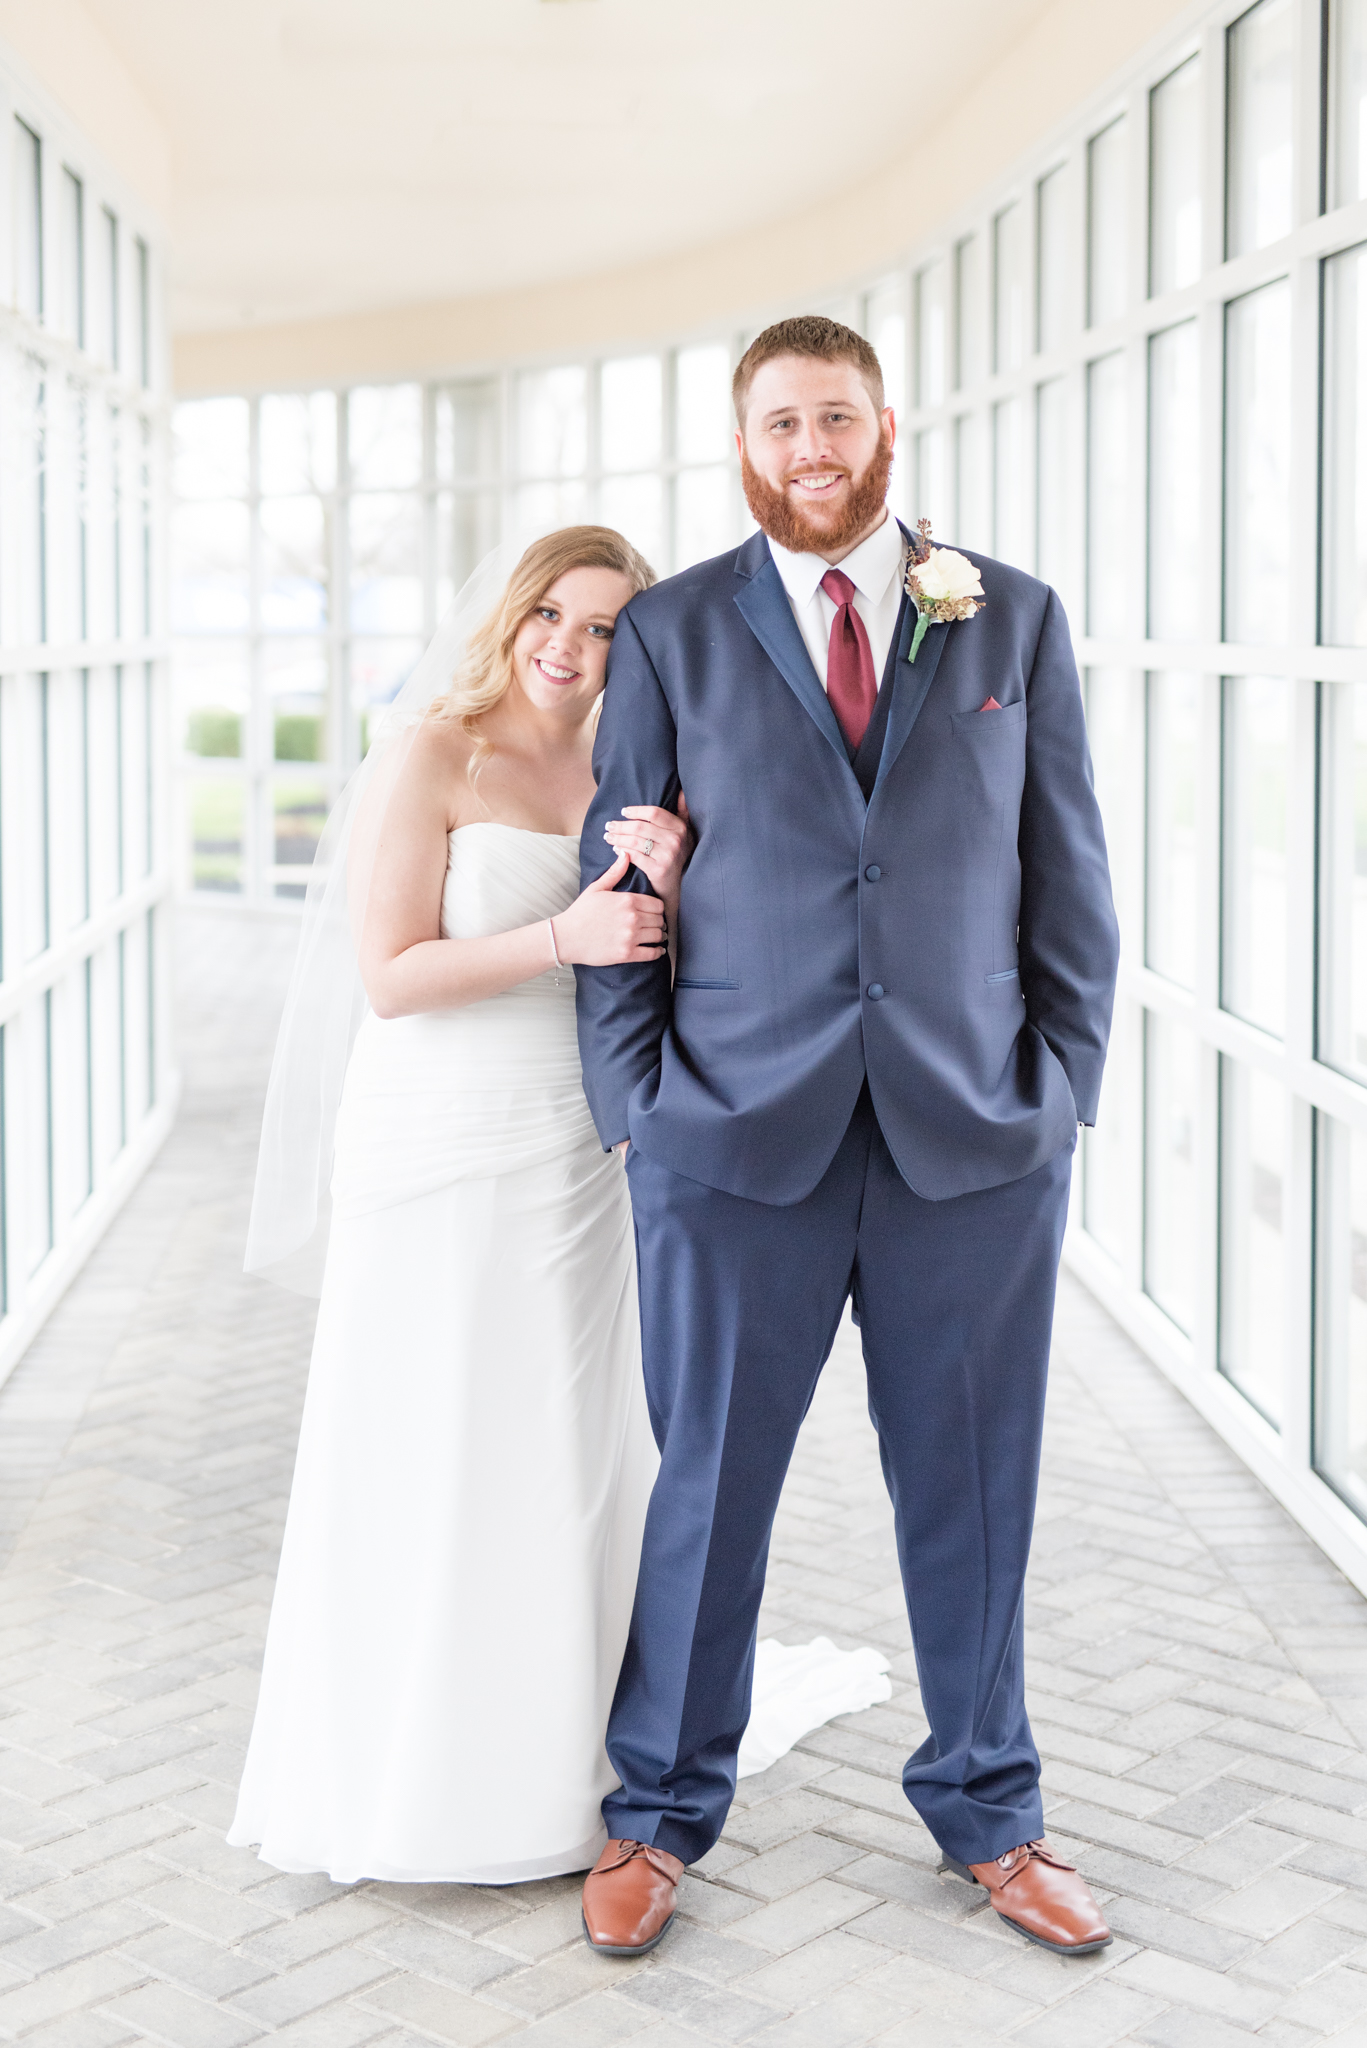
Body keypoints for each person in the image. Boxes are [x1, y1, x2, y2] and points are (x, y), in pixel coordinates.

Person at [575, 316, 1121, 1959]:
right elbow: (626, 884)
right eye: (777, 423)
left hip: (973, 1145)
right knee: (709, 1493)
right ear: (742, 444)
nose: (808, 448)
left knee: (974, 1492)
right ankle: (658, 1815)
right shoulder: (672, 629)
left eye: (833, 416)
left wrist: (1060, 1096)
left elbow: (1069, 877)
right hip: (734, 1146)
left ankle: (993, 1812)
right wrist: (637, 1116)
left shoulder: (1007, 613)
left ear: (888, 421)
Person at [230, 527, 692, 1884]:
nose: (571, 645)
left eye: (606, 627)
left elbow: (656, 960)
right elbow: (389, 974)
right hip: (435, 1128)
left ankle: (555, 1765)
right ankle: (405, 1763)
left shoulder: (628, 765)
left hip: (572, 1143)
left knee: (559, 1444)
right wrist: (564, 934)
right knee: (423, 1430)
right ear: (511, 612)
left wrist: (668, 880)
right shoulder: (431, 750)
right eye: (554, 612)